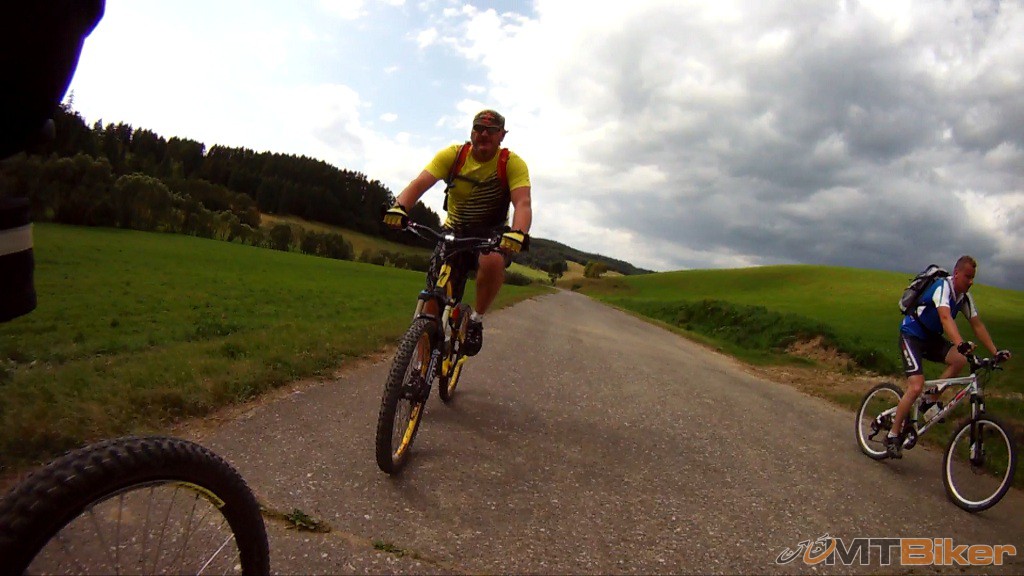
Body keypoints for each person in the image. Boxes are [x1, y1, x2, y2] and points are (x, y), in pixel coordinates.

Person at [383, 109, 531, 356]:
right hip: (454, 231)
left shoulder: (510, 163)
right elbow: (419, 184)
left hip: (490, 234)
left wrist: (518, 232)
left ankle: (476, 319)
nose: (484, 134)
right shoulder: (454, 155)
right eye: (478, 128)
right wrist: (399, 207)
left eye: (491, 130)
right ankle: (420, 366)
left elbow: (522, 203)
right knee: (432, 302)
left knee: (493, 260)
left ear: (502, 135)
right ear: (471, 132)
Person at [887, 255, 1012, 458]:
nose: (971, 282)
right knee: (916, 386)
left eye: (973, 278)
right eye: (967, 277)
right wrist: (960, 343)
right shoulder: (942, 287)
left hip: (931, 338)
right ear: (956, 273)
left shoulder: (964, 298)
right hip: (911, 335)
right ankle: (893, 435)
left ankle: (930, 399)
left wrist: (995, 352)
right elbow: (945, 317)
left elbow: (977, 325)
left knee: (959, 360)